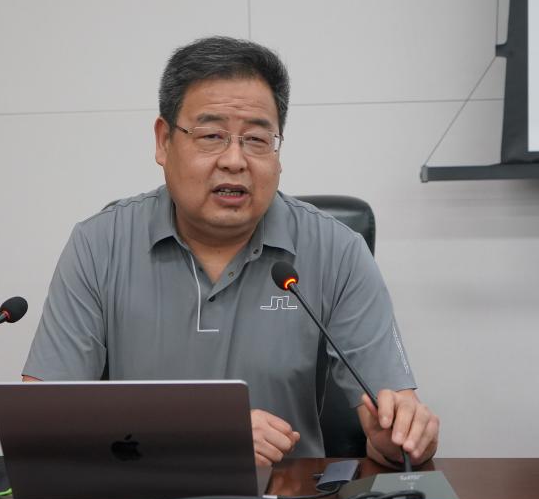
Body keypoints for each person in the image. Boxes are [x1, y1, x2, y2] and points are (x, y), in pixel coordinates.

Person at [23, 36, 438, 468]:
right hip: (141, 497)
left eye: (257, 139)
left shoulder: (338, 252)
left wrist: (400, 440)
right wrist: (205, 435)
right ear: (164, 141)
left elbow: (391, 422)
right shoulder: (99, 245)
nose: (235, 161)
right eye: (211, 136)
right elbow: (41, 421)